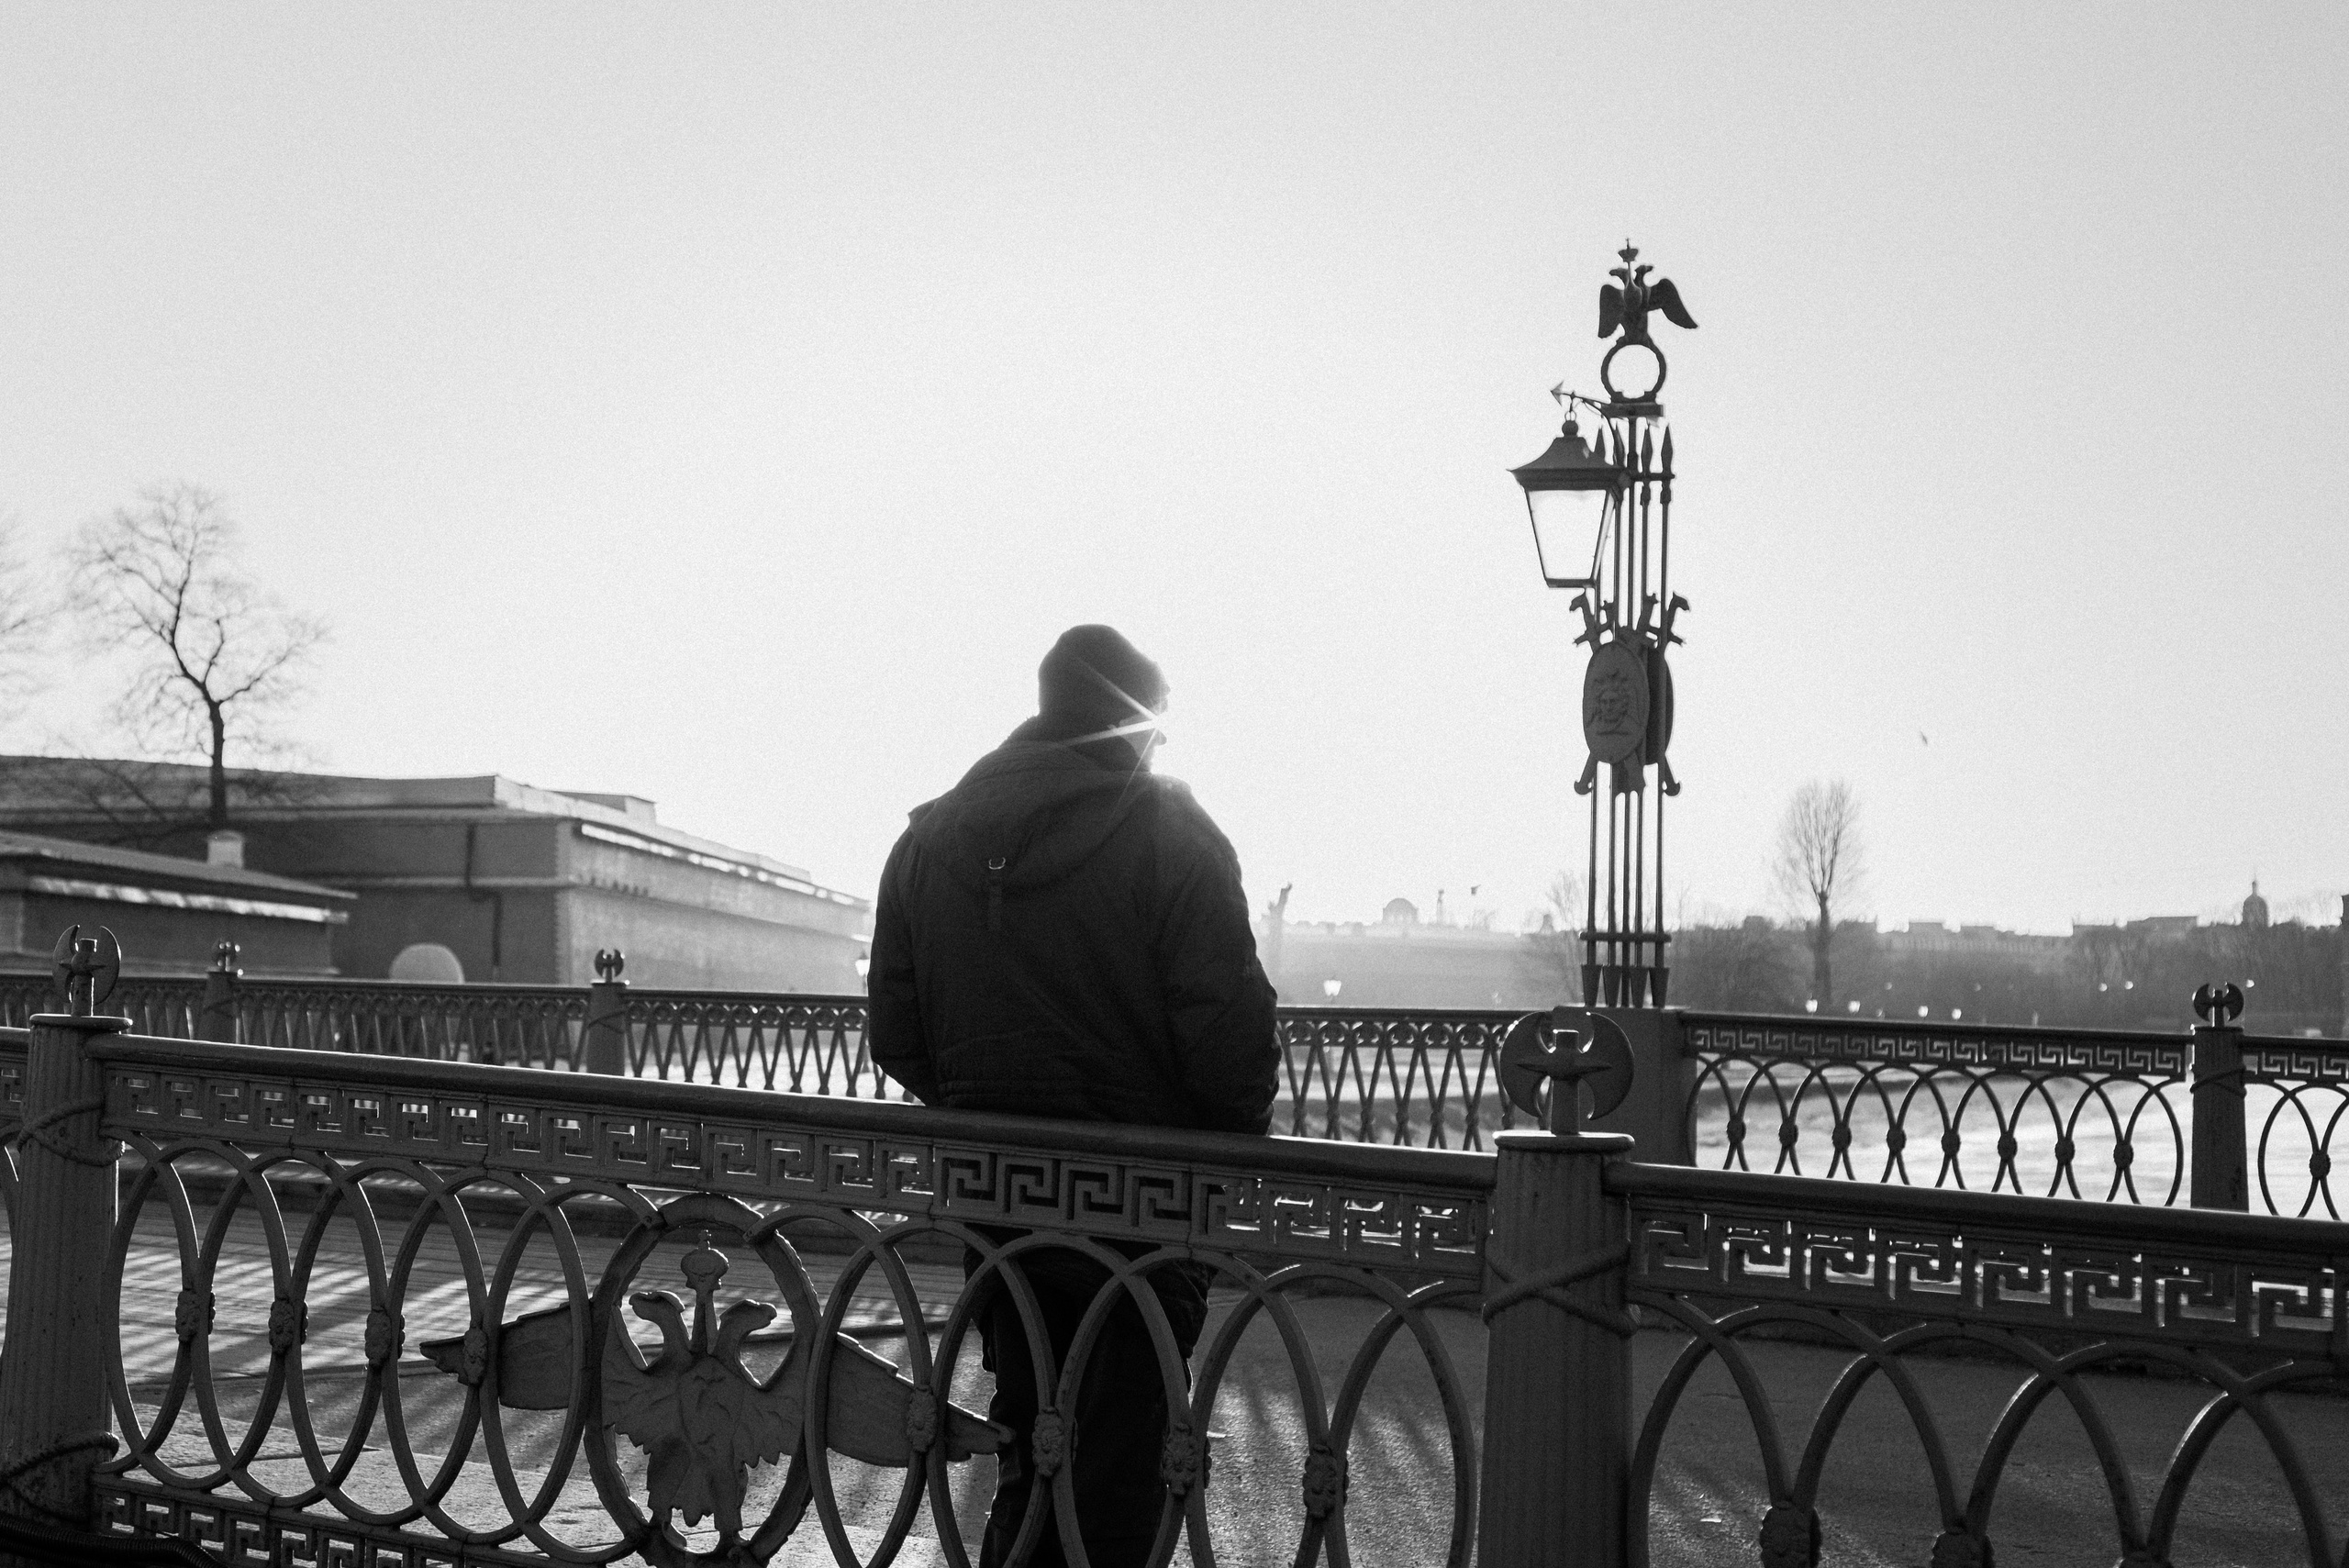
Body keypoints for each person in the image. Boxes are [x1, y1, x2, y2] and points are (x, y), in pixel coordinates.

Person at [868, 624, 1280, 1568]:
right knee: (1120, 1477)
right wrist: (1205, 1167)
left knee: (1030, 1449)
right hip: (1141, 1210)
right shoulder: (1172, 832)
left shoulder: (926, 841)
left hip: (996, 1204)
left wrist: (990, 1109)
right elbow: (1231, 1049)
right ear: (1134, 721)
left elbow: (897, 1035)